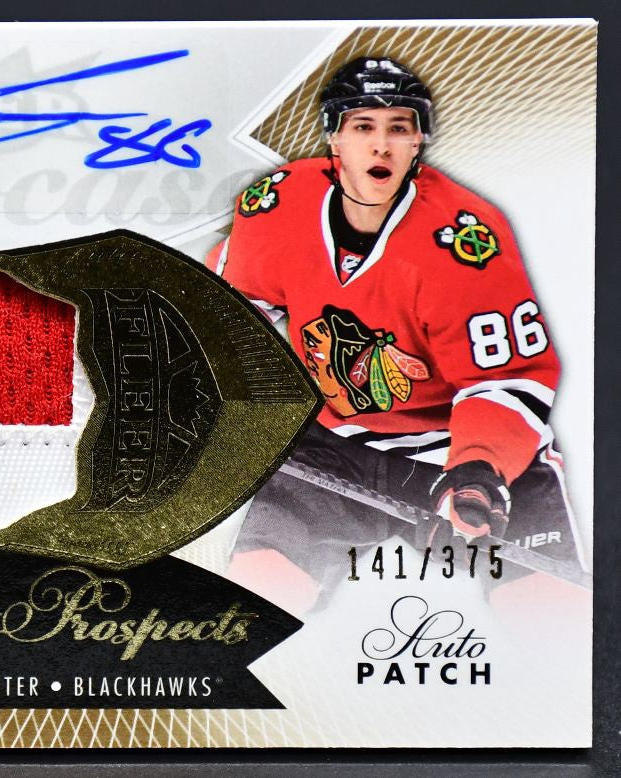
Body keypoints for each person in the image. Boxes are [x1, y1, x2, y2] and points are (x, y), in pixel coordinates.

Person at [206, 56, 587, 615]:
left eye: (398, 128)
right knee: (253, 604)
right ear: (334, 138)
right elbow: (227, 315)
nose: (380, 145)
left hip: (461, 454)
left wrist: (477, 474)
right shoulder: (279, 206)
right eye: (363, 126)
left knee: (554, 623)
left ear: (418, 142)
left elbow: (508, 378)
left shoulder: (464, 242)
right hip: (334, 445)